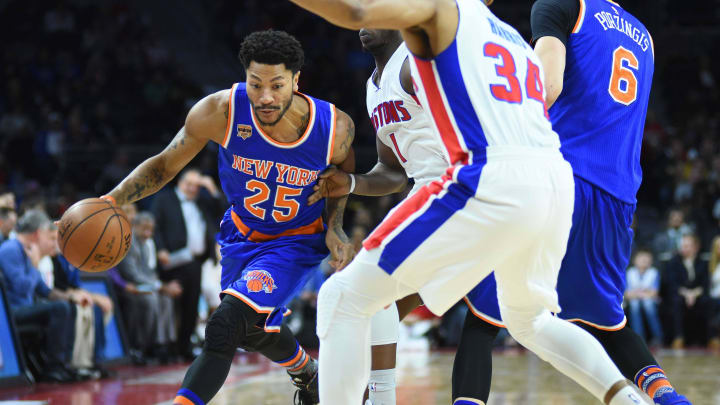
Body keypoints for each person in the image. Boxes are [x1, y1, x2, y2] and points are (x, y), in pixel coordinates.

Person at [288, 1, 647, 404]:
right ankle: (628, 399)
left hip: (487, 180)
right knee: (529, 321)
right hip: (553, 180)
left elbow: (356, 12)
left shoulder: (441, 14)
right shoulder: (510, 37)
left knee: (343, 297)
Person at [95, 30, 354, 405]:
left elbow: (341, 182)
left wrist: (335, 226)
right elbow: (166, 164)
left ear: (297, 81)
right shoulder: (220, 111)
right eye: (256, 84)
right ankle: (307, 371)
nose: (265, 97)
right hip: (242, 235)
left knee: (224, 324)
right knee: (251, 332)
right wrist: (113, 199)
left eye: (277, 85)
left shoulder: (334, 128)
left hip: (294, 239)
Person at [456, 1, 689, 403]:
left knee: (483, 318)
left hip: (557, 178)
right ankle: (669, 398)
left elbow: (547, 87)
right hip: (616, 195)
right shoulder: (644, 36)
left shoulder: (560, 4)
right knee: (607, 325)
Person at [308, 28, 444, 405]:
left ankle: (373, 397)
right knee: (367, 306)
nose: (366, 22)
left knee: (355, 293)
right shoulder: (374, 86)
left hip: (452, 185)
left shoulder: (416, 64)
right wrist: (348, 182)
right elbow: (393, 172)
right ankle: (372, 395)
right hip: (422, 188)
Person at [151, 168, 225, 361]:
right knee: (180, 304)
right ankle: (170, 347)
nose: (193, 189)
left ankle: (185, 347)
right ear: (180, 183)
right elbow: (154, 225)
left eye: (196, 185)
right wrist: (160, 249)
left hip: (197, 261)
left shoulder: (201, 201)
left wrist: (211, 188)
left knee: (191, 305)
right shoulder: (164, 199)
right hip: (172, 260)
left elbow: (223, 211)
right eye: (189, 184)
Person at [0, 209, 81, 383]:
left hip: (26, 308)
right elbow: (22, 288)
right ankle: (53, 367)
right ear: (38, 233)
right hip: (11, 313)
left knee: (69, 306)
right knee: (59, 308)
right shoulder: (10, 250)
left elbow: (45, 291)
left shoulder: (27, 249)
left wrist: (71, 297)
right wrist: (35, 266)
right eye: (48, 235)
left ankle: (64, 364)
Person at [116, 211, 180, 364]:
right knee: (151, 299)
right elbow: (131, 274)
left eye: (150, 229)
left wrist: (160, 286)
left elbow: (151, 272)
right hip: (129, 286)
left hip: (146, 285)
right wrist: (159, 286)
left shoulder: (149, 243)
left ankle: (163, 343)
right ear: (135, 226)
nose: (148, 233)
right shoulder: (129, 242)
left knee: (166, 299)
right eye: (144, 228)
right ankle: (142, 346)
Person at [664, 234, 710, 349]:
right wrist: (687, 293)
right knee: (676, 301)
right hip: (680, 293)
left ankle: (710, 337)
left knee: (707, 301)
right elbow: (672, 283)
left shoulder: (703, 263)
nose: (684, 248)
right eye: (683, 246)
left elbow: (705, 284)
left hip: (697, 294)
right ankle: (678, 337)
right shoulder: (674, 262)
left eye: (687, 246)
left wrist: (694, 293)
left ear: (696, 247)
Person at [625, 250, 663, 346]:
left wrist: (640, 294)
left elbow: (654, 293)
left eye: (647, 259)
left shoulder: (654, 272)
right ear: (635, 260)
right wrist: (641, 294)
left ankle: (658, 337)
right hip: (635, 299)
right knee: (635, 306)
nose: (644, 261)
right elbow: (627, 294)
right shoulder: (630, 273)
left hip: (650, 299)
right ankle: (639, 338)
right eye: (641, 258)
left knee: (648, 305)